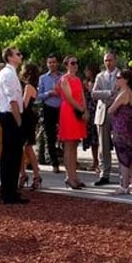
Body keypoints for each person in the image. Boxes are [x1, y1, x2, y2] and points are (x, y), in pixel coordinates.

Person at [0, 47, 29, 205]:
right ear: (9, 57)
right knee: (12, 156)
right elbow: (12, 100)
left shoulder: (10, 73)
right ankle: (8, 193)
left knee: (12, 156)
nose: (20, 56)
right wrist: (19, 121)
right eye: (18, 54)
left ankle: (9, 191)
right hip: (10, 116)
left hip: (10, 116)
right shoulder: (8, 74)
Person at [108, 69, 132, 195]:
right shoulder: (130, 92)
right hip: (128, 127)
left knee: (123, 157)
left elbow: (111, 110)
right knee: (130, 155)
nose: (116, 80)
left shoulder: (123, 93)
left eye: (118, 78)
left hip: (120, 128)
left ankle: (124, 185)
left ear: (125, 80)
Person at [57, 55, 87, 189]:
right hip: (69, 112)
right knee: (69, 144)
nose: (75, 65)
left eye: (76, 63)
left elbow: (82, 95)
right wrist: (81, 110)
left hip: (78, 111)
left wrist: (85, 110)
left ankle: (75, 176)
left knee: (75, 144)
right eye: (72, 63)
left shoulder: (78, 79)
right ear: (66, 65)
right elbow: (69, 98)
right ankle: (69, 177)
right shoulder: (64, 79)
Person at [91, 52, 120, 186]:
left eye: (110, 60)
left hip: (118, 112)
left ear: (115, 60)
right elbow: (94, 93)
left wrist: (112, 96)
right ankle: (104, 174)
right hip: (102, 113)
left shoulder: (121, 75)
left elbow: (122, 92)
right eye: (106, 60)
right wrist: (109, 93)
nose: (108, 62)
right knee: (103, 146)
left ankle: (124, 173)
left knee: (121, 143)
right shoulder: (100, 76)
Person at [36, 54, 63, 173]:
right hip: (48, 109)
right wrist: (49, 93)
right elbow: (39, 96)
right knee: (50, 137)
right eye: (50, 62)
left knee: (66, 136)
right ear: (47, 64)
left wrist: (60, 92)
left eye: (54, 62)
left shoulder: (63, 77)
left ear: (57, 63)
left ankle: (69, 161)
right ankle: (54, 163)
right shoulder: (43, 78)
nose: (52, 64)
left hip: (62, 109)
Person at [19, 63, 42, 191]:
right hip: (28, 118)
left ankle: (35, 175)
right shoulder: (29, 86)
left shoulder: (28, 87)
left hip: (26, 119)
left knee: (27, 147)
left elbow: (24, 104)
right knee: (24, 148)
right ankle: (24, 174)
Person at [81, 64, 100, 173]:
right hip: (89, 111)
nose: (86, 73)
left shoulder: (98, 82)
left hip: (97, 110)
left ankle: (99, 162)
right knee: (92, 139)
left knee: (98, 138)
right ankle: (95, 161)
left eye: (87, 70)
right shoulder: (85, 83)